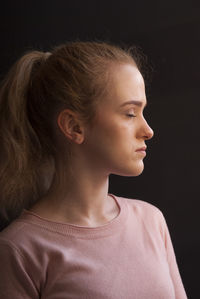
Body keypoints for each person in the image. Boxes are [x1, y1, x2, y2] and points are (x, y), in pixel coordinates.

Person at [0, 41, 187, 298]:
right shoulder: (20, 250)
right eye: (130, 113)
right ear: (74, 127)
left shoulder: (151, 222)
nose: (148, 130)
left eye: (143, 112)